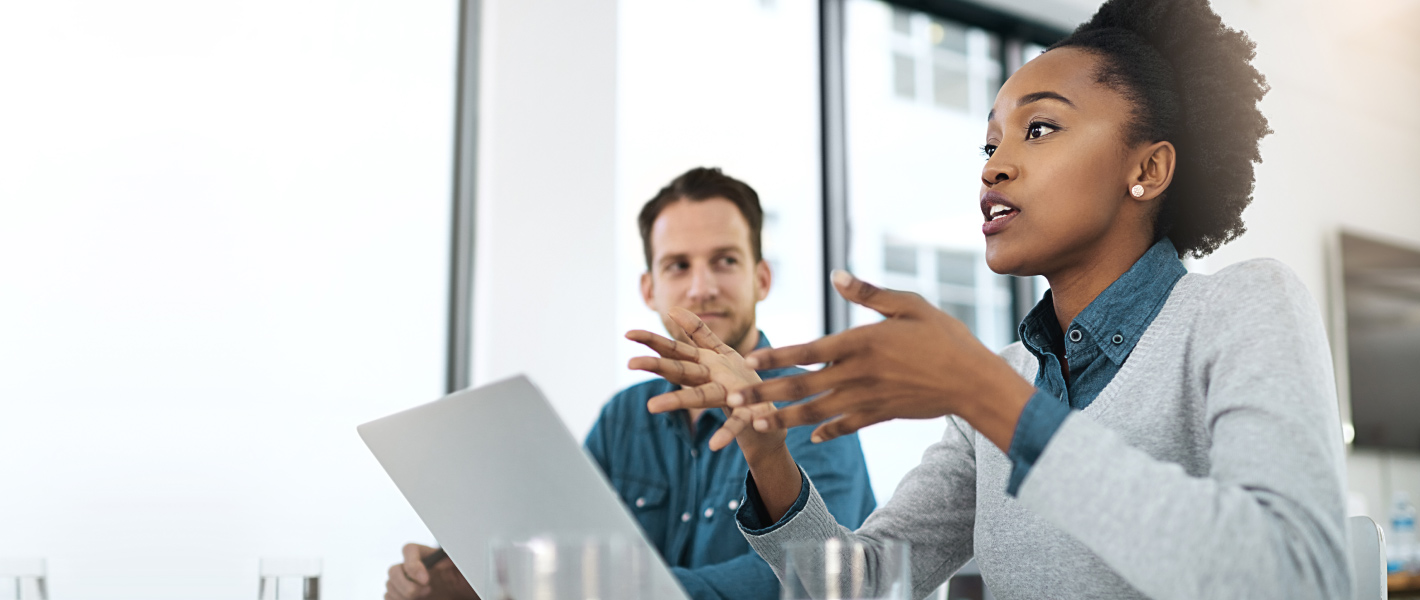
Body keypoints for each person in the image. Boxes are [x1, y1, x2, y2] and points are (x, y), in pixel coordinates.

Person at [629, 1, 1351, 598]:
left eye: (1040, 128)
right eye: (989, 145)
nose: (996, 166)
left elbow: (1294, 576)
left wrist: (987, 395)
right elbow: (863, 584)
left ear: (1149, 167)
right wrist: (765, 448)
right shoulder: (1002, 384)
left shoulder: (1241, 308)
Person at [383, 167, 876, 600]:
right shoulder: (623, 418)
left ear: (761, 278)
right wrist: (473, 581)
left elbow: (798, 583)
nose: (701, 287)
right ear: (650, 289)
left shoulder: (813, 407)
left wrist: (562, 588)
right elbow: (557, 545)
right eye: (678, 265)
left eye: (725, 260)